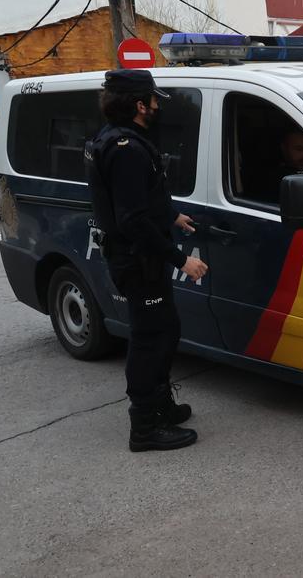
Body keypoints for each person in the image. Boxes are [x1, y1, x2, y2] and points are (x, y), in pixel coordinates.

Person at [85, 69, 208, 452]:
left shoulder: (119, 141)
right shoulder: (126, 149)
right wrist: (180, 260)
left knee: (165, 329)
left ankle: (160, 405)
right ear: (139, 105)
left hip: (139, 258)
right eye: (152, 99)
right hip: (137, 260)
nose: (156, 105)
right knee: (150, 339)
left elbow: (141, 197)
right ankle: (145, 426)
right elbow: (133, 219)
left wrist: (171, 216)